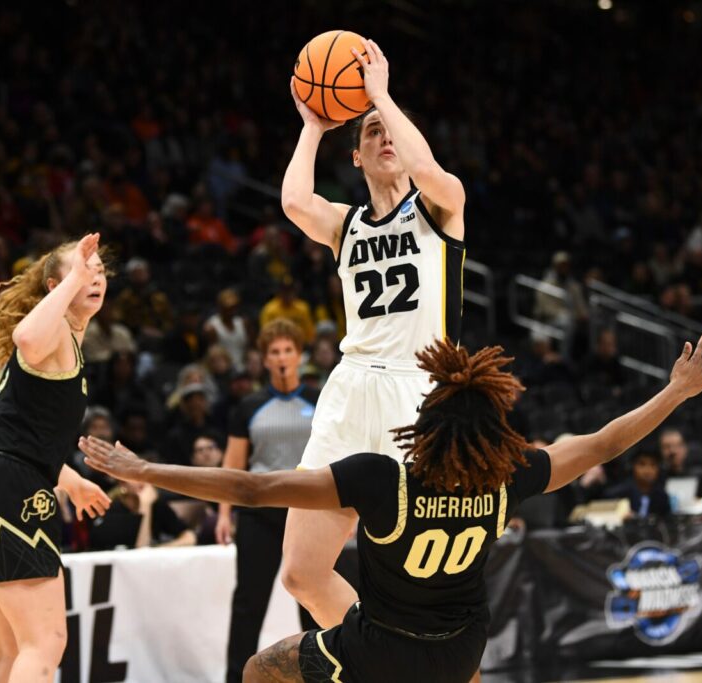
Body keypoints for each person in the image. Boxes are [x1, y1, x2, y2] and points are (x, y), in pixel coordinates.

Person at [79, 332, 702, 683]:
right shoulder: (511, 474)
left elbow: (254, 488)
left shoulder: (381, 479)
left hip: (380, 651)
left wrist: (145, 470)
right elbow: (606, 441)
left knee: (258, 672)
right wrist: (675, 392)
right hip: (462, 651)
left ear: (427, 423)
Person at [280, 37, 467, 627]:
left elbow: (428, 168)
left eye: (391, 130)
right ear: (356, 157)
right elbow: (292, 202)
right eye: (370, 133)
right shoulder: (345, 224)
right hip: (350, 388)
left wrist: (381, 98)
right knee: (301, 574)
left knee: (425, 580)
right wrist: (315, 124)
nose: (384, 137)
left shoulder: (441, 207)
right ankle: (379, 655)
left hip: (419, 396)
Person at [0, 234, 112, 683]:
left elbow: (25, 432)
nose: (95, 278)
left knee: (11, 649)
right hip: (8, 489)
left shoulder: (69, 344)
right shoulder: (52, 331)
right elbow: (26, 338)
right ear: (57, 283)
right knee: (46, 642)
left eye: (98, 272)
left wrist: (70, 480)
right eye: (83, 270)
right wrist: (75, 274)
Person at [216, 319, 321, 683]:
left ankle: (320, 674)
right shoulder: (248, 407)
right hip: (259, 514)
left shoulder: (319, 400)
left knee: (314, 602)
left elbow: (334, 457)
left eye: (288, 350)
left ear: (300, 356)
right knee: (249, 602)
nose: (281, 357)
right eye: (274, 351)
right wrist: (224, 513)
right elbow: (233, 465)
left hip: (308, 512)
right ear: (263, 358)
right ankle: (236, 678)